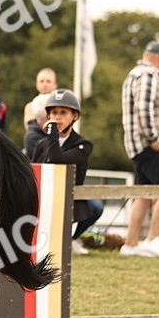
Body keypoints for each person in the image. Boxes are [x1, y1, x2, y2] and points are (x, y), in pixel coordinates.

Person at [120, 41, 159, 259]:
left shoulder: (133, 75)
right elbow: (143, 108)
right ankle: (153, 238)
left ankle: (131, 243)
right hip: (150, 144)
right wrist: (154, 139)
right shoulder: (148, 75)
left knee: (143, 193)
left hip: (137, 145)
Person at [30, 89, 102, 255]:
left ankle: (73, 238)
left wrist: (52, 135)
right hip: (44, 199)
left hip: (71, 201)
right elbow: (34, 169)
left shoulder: (83, 145)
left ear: (74, 116)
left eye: (63, 113)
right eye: (54, 113)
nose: (58, 117)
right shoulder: (41, 144)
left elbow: (57, 159)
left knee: (95, 207)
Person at [22, 68, 58, 155]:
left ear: (55, 85)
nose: (45, 84)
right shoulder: (29, 107)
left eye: (48, 81)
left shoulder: (61, 106)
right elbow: (29, 129)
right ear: (37, 84)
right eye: (41, 81)